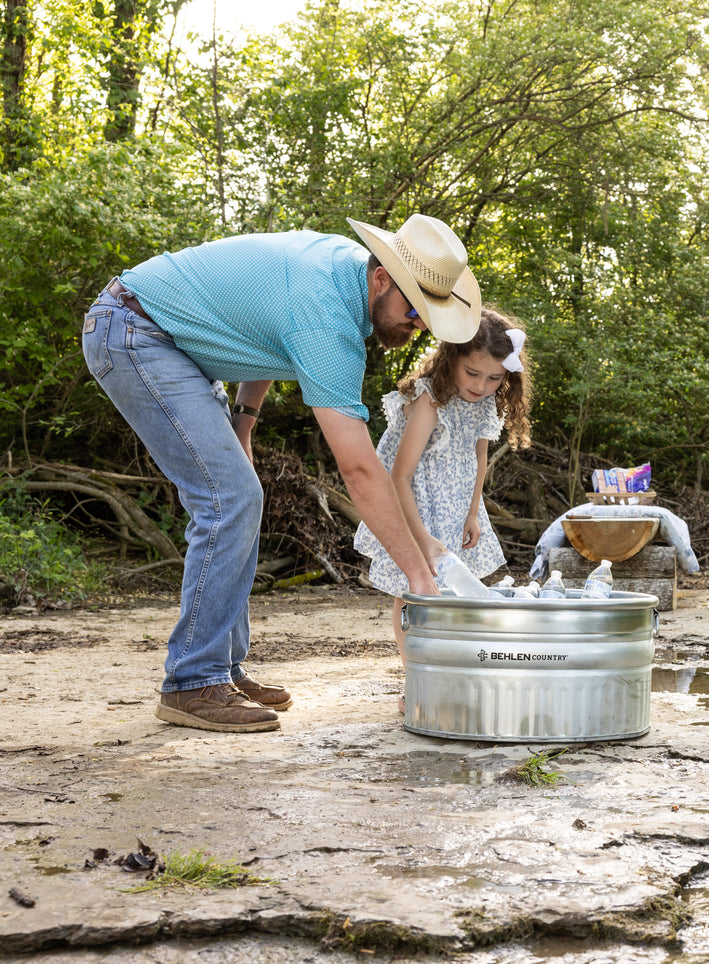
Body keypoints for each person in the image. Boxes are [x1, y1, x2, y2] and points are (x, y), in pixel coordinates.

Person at [81, 213, 481, 734]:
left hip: (177, 343)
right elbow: (360, 469)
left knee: (238, 500)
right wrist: (419, 578)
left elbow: (265, 334)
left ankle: (219, 668)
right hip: (138, 333)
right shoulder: (328, 318)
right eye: (414, 308)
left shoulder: (341, 272)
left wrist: (244, 423)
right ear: (381, 278)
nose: (420, 324)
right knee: (231, 499)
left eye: (430, 314)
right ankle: (191, 681)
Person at [355, 307, 532, 663]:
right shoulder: (430, 401)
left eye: (495, 379)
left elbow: (477, 459)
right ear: (452, 357)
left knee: (452, 594)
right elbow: (399, 476)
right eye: (472, 373)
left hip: (454, 506)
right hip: (414, 506)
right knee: (413, 594)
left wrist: (473, 515)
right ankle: (416, 677)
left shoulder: (485, 405)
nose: (481, 386)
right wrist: (419, 537)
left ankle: (446, 668)